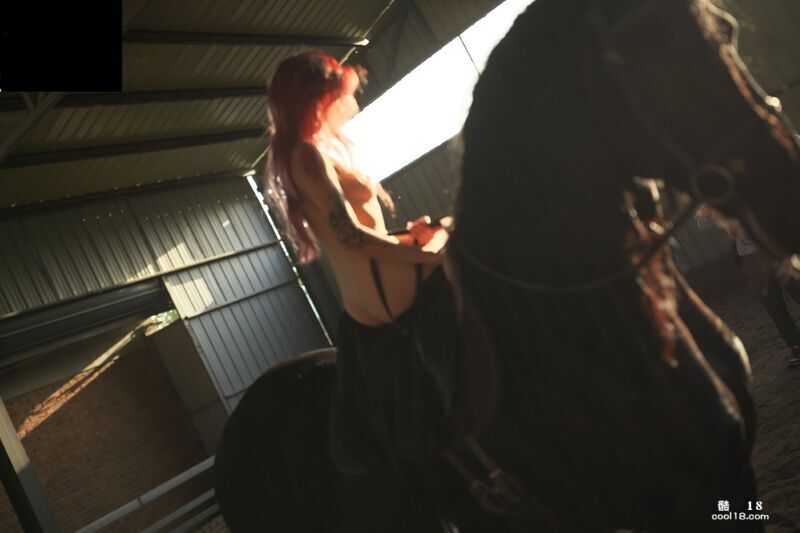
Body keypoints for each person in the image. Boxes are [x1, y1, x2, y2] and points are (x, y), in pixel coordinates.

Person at [263, 51, 458, 480]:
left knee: (450, 226)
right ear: (315, 98)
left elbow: (358, 238)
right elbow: (352, 237)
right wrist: (427, 255)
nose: (343, 104)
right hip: (382, 288)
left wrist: (410, 239)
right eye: (335, 95)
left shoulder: (305, 155)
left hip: (374, 285)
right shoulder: (307, 156)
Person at [695, 205, 800, 367]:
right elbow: (702, 224)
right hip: (751, 259)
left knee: (796, 290)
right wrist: (709, 210)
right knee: (774, 306)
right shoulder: (720, 201)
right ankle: (795, 345)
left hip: (771, 248)